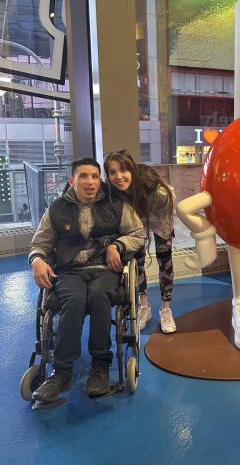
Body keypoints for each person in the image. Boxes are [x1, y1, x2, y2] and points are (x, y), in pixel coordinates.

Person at [29, 158, 144, 403]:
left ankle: (100, 366)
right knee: (73, 301)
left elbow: (137, 233)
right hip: (70, 270)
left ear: (99, 180)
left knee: (100, 296)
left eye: (94, 176)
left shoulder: (116, 205)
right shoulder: (57, 208)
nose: (90, 182)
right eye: (83, 176)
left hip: (105, 269)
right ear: (72, 180)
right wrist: (37, 260)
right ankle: (61, 372)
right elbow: (41, 242)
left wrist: (117, 245)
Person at [104, 150, 176, 334]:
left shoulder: (157, 191)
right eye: (112, 172)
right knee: (137, 260)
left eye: (123, 170)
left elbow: (168, 201)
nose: (118, 176)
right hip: (135, 215)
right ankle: (144, 307)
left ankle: (166, 309)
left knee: (165, 259)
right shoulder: (111, 191)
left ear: (132, 170)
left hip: (159, 211)